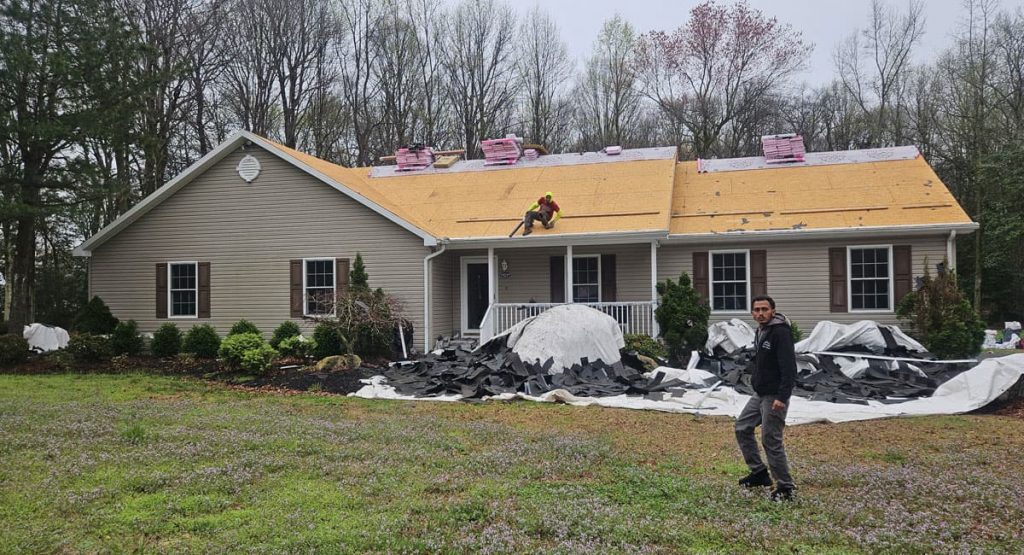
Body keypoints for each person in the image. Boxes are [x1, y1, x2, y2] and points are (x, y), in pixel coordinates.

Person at [735, 295, 797, 501]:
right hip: (760, 393)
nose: (760, 313)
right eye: (756, 310)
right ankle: (759, 474)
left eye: (764, 309)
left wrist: (783, 396)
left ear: (773, 311)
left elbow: (789, 368)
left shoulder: (781, 332)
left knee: (771, 440)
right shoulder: (761, 331)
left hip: (774, 396)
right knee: (742, 427)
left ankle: (786, 487)